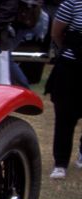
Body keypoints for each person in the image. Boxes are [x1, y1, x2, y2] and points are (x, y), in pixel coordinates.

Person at [46, 0, 82, 178]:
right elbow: (56, 33)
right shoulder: (72, 4)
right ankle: (60, 163)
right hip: (70, 66)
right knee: (65, 115)